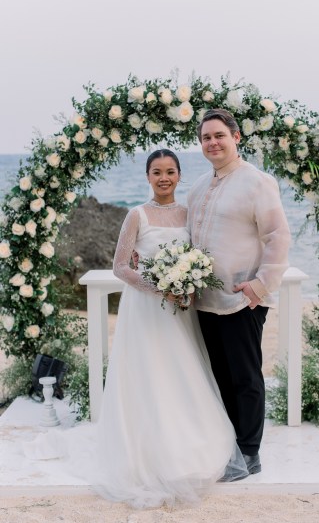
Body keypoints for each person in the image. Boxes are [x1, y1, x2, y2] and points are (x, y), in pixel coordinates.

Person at [25, 148, 247, 508]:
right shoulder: (136, 214)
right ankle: (147, 448)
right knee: (149, 372)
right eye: (156, 172)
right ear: (147, 177)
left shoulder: (189, 214)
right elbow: (120, 267)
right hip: (146, 306)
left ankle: (187, 444)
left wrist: (186, 287)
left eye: (170, 171)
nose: (164, 178)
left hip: (181, 309)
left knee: (182, 370)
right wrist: (160, 285)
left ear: (179, 175)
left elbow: (199, 259)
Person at [187, 109, 291, 481]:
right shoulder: (198, 186)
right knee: (218, 376)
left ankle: (250, 453)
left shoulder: (257, 182)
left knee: (245, 377)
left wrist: (259, 285)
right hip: (204, 301)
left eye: (219, 135)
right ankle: (227, 448)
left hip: (242, 299)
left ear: (236, 138)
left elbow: (278, 237)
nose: (212, 143)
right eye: (205, 138)